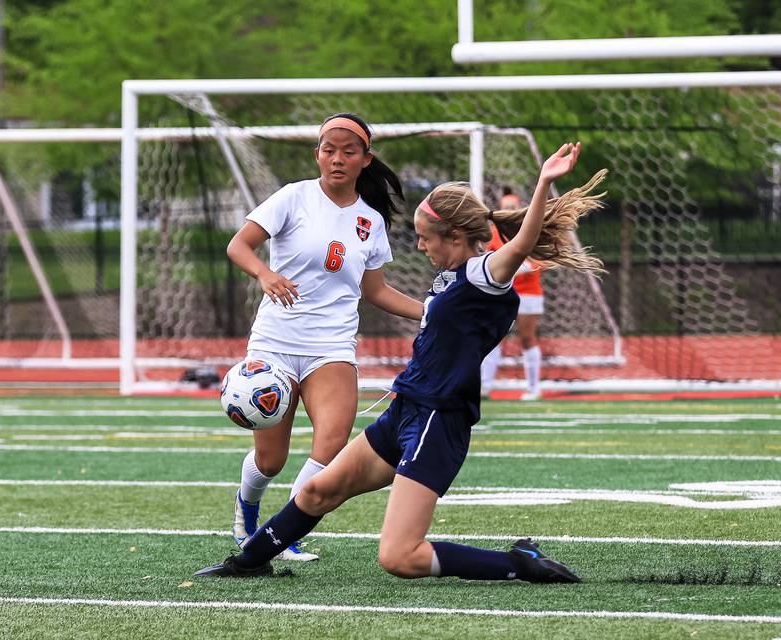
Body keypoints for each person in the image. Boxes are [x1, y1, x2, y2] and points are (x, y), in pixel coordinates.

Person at [195, 142, 606, 583]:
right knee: (318, 489)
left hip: (438, 420)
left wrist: (544, 181)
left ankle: (518, 563)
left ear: (453, 235)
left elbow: (522, 242)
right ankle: (245, 563)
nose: (418, 244)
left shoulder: (484, 273)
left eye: (425, 236)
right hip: (406, 409)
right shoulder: (451, 276)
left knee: (400, 557)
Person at [224, 112, 423, 561]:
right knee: (270, 461)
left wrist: (431, 312)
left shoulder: (370, 220)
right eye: (329, 150)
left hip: (331, 346)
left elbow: (375, 291)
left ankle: (283, 534)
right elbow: (238, 245)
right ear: (317, 154)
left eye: (348, 152)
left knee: (332, 446)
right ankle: (247, 508)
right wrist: (265, 273)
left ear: (365, 160)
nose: (337, 159)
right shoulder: (293, 197)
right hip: (274, 342)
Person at [480, 188, 545, 401]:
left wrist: (516, 267)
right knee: (493, 337)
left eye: (513, 207)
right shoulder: (494, 233)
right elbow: (489, 259)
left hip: (528, 293)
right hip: (501, 292)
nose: (508, 211)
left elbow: (537, 262)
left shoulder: (530, 228)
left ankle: (534, 388)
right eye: (505, 207)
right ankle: (485, 387)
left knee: (527, 338)